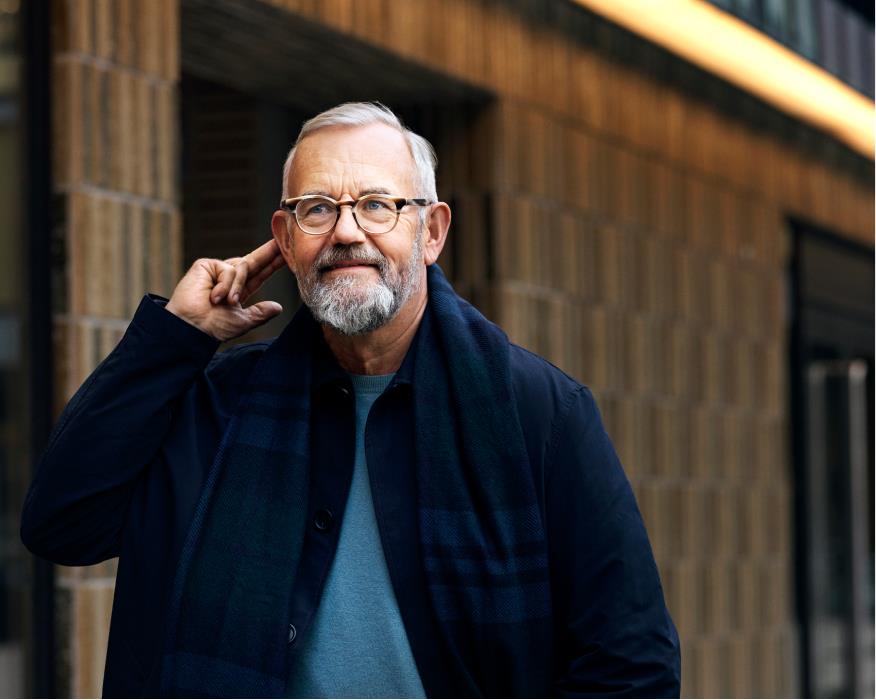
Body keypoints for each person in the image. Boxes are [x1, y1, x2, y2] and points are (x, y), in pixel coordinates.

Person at [21, 102, 680, 698]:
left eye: (377, 204)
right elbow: (63, 525)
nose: (345, 232)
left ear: (432, 231)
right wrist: (177, 340)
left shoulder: (539, 412)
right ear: (284, 238)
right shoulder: (220, 409)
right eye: (316, 208)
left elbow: (629, 668)